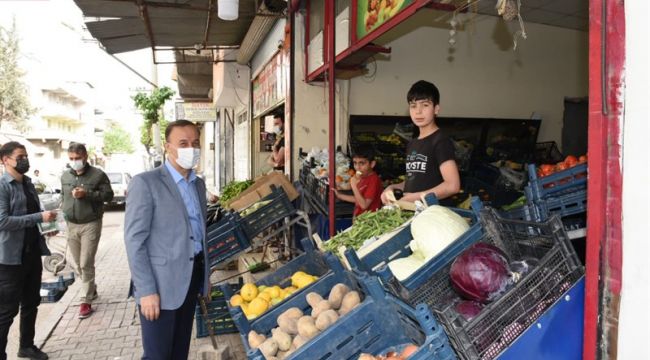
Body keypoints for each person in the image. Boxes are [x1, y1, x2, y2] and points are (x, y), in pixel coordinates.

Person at [124, 120, 209, 360]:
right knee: (158, 355)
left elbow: (200, 233)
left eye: (195, 143)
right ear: (167, 146)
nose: (190, 149)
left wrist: (205, 277)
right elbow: (134, 242)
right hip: (160, 286)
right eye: (183, 143)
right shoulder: (146, 183)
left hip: (190, 280)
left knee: (179, 351)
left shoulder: (198, 185)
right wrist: (146, 290)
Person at [0, 141, 57, 360]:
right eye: (20, 157)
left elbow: (34, 215)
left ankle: (26, 346)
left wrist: (45, 227)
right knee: (6, 310)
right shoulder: (3, 186)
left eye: (26, 156)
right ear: (5, 160)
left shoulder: (28, 183)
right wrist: (38, 218)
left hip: (32, 253)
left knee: (31, 302)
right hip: (10, 259)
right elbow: (2, 221)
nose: (24, 160)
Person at [381, 80, 460, 204]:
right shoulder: (413, 143)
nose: (418, 111)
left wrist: (416, 197)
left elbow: (452, 186)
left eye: (425, 105)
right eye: (413, 106)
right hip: (414, 212)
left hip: (433, 215)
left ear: (436, 109)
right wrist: (393, 187)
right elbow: (414, 180)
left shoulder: (440, 141)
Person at [60, 143, 114, 319]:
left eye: (78, 158)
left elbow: (108, 196)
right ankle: (92, 289)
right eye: (71, 159)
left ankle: (85, 301)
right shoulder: (65, 176)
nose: (75, 162)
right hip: (71, 224)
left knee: (85, 263)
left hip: (91, 223)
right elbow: (63, 197)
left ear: (85, 157)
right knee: (76, 263)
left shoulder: (98, 175)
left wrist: (87, 194)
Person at [333, 147, 383, 219]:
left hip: (368, 222)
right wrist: (340, 196)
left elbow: (364, 205)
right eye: (355, 163)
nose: (357, 167)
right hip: (359, 219)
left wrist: (354, 185)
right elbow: (358, 199)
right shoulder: (362, 177)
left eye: (362, 163)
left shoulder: (374, 180)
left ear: (372, 164)